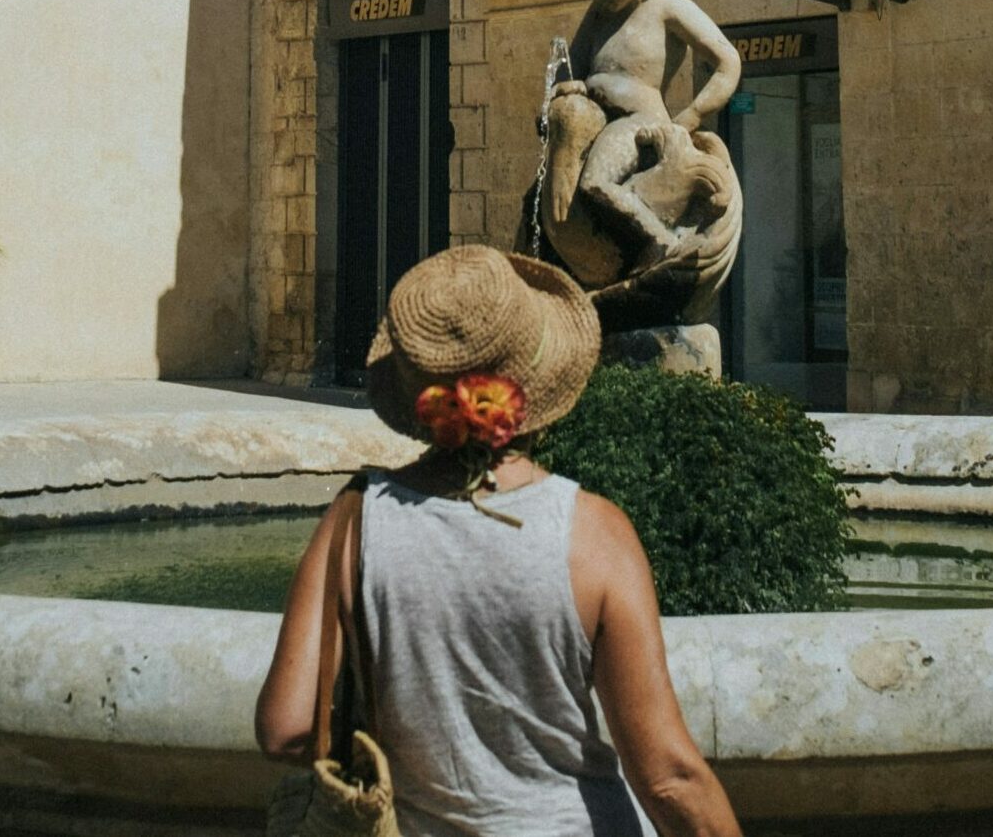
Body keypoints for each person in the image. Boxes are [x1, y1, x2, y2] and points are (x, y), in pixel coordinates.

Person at [256, 243, 742, 837]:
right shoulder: (594, 533)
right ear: (534, 385)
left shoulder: (354, 519)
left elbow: (285, 728)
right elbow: (668, 779)